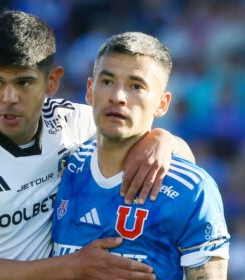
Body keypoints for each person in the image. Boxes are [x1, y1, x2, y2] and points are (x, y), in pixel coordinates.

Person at [0, 11, 195, 279]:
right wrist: (75, 266)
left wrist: (163, 140)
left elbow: (177, 155)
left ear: (52, 81)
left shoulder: (70, 123)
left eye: (24, 82)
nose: (8, 97)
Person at [51, 32, 230, 279]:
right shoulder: (63, 169)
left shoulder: (192, 190)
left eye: (136, 86)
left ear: (162, 103)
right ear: (90, 91)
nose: (117, 97)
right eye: (107, 82)